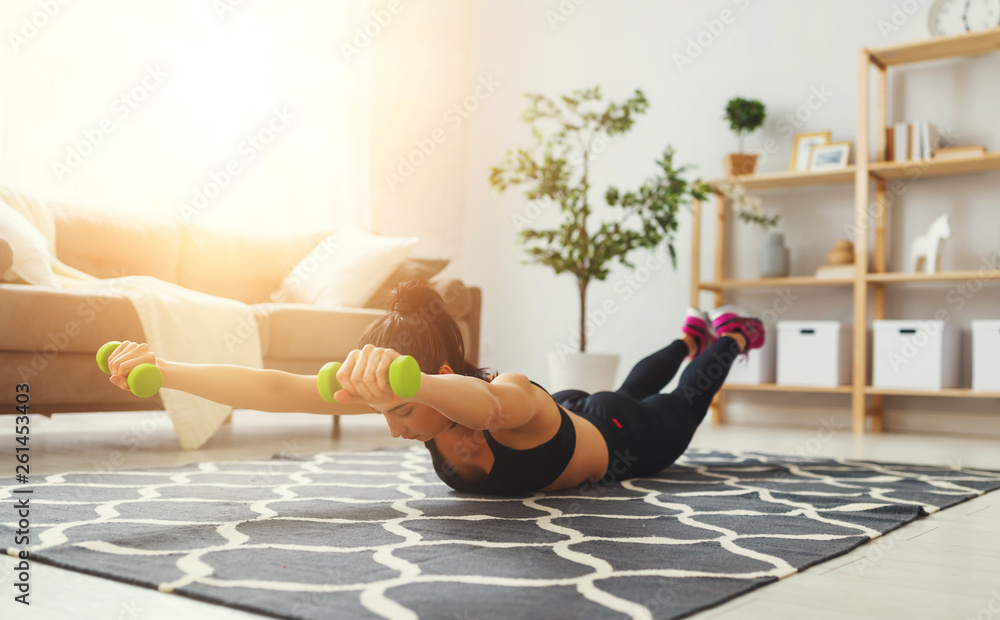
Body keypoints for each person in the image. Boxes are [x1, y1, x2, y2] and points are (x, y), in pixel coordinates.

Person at [106, 280, 764, 496]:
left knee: (675, 406)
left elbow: (486, 405)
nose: (390, 426)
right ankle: (685, 339)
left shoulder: (510, 399)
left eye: (400, 409)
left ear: (434, 381)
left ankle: (728, 338)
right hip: (581, 411)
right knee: (628, 386)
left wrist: (407, 383)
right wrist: (163, 370)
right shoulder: (412, 399)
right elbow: (274, 388)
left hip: (624, 439)